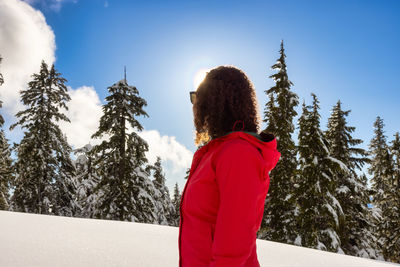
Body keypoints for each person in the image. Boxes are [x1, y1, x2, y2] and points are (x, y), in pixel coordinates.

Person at [178, 65, 281, 267]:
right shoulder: (217, 152)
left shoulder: (238, 154)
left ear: (215, 102)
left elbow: (236, 238)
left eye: (197, 98)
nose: (195, 105)